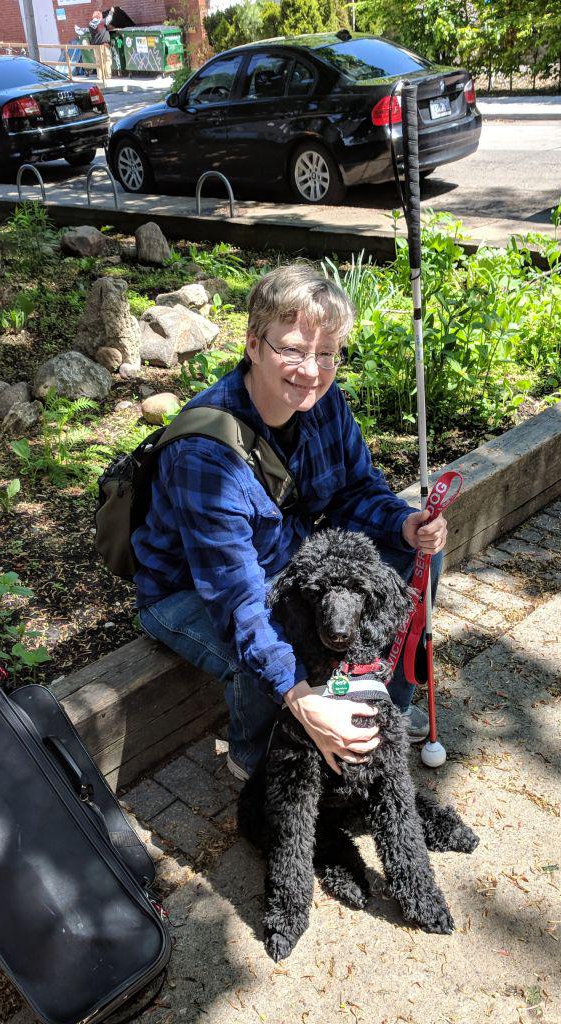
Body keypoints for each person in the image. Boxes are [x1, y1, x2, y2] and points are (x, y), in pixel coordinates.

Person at [133, 264, 447, 781]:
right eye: (293, 350)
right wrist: (302, 698)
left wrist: (405, 524)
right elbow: (238, 603)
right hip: (187, 592)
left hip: (285, 558)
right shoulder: (203, 456)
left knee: (413, 560)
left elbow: (355, 490)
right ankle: (252, 757)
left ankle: (383, 709)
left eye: (326, 354)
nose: (311, 369)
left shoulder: (324, 404)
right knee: (276, 646)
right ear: (254, 345)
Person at [87, 8, 114, 82]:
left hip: (96, 46)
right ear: (99, 17)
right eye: (101, 16)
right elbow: (109, 19)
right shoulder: (101, 22)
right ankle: (107, 75)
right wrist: (111, 12)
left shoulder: (90, 24)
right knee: (107, 59)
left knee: (99, 61)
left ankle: (100, 76)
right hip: (104, 45)